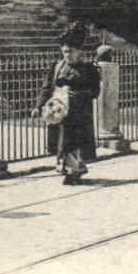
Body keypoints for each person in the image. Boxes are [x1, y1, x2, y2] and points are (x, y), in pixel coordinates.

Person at [39, 23, 102, 184]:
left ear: (79, 52)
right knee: (60, 142)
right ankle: (71, 168)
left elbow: (95, 91)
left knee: (73, 142)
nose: (68, 55)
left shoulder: (88, 69)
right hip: (59, 113)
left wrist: (76, 94)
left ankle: (74, 171)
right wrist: (38, 106)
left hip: (78, 114)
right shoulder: (56, 67)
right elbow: (46, 88)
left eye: (71, 51)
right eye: (65, 51)